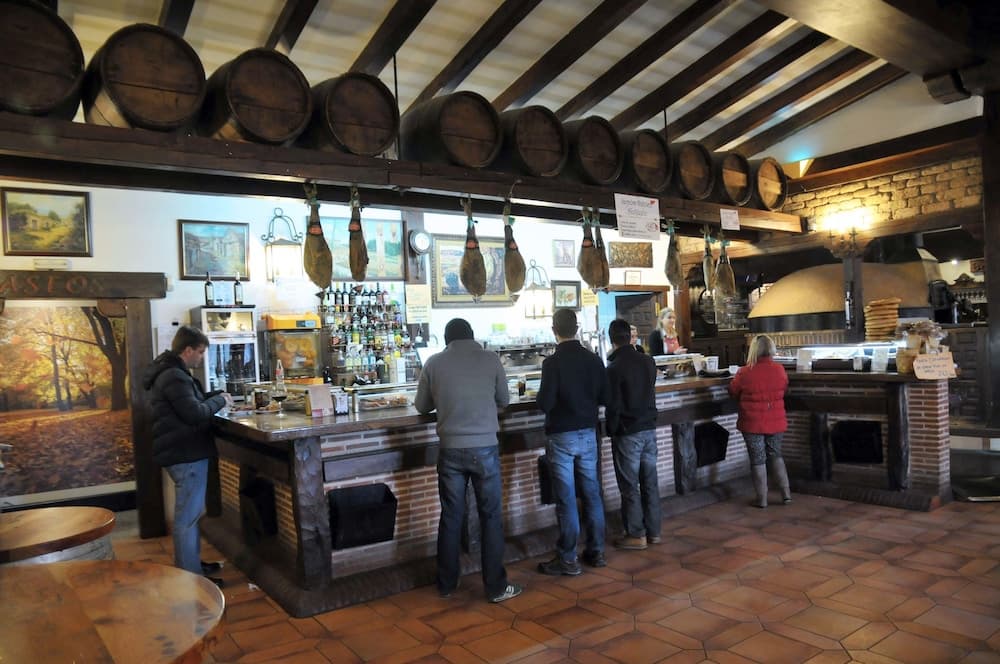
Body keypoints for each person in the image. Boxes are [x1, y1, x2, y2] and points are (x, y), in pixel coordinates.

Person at [414, 318, 522, 603]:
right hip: (485, 447)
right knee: (491, 516)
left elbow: (422, 406)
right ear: (472, 336)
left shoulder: (434, 363)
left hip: (450, 448)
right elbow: (504, 400)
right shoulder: (491, 359)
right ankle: (496, 588)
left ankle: (447, 584)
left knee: (451, 515)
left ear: (446, 340)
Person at [142, 325, 231, 586]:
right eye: (201, 352)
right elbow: (194, 413)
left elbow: (193, 401)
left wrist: (216, 396)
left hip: (180, 451)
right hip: (186, 453)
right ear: (188, 350)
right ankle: (191, 578)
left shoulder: (170, 372)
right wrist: (221, 401)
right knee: (187, 519)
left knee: (189, 516)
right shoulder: (175, 376)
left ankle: (191, 565)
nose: (202, 358)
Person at [536, 308, 609, 575]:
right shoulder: (593, 360)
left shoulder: (552, 363)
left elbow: (545, 403)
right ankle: (597, 551)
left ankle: (568, 558)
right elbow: (605, 397)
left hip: (561, 435)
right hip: (588, 433)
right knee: (592, 493)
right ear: (576, 329)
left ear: (554, 330)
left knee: (566, 498)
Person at [605, 318, 661, 550]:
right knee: (650, 482)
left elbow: (613, 405)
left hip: (628, 432)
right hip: (649, 428)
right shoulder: (648, 361)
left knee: (629, 486)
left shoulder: (613, 368)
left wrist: (611, 429)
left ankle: (636, 534)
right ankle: (654, 531)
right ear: (630, 337)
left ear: (611, 339)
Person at [728, 334, 791, 508]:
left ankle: (762, 499)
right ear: (771, 349)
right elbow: (784, 388)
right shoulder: (779, 369)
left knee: (758, 460)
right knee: (776, 455)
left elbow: (733, 391)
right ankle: (786, 494)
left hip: (752, 423)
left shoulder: (744, 372)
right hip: (776, 422)